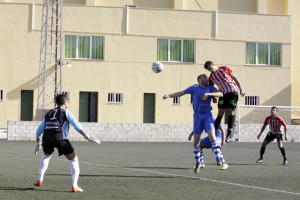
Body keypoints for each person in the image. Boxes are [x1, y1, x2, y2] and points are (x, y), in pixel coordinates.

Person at [33, 94, 100, 192]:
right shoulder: (66, 112)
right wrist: (87, 137)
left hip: (47, 138)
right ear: (65, 102)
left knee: (46, 156)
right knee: (74, 159)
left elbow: (39, 131)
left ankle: (39, 179)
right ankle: (74, 186)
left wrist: (38, 143)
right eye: (67, 101)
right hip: (60, 138)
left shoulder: (49, 113)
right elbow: (77, 126)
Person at [163, 74, 228, 173]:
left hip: (207, 116)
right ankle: (198, 163)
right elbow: (181, 93)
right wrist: (169, 96)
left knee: (212, 136)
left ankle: (218, 158)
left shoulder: (210, 88)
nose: (206, 79)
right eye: (204, 78)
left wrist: (210, 94)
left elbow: (220, 94)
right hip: (197, 117)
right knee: (196, 142)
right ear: (199, 80)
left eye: (206, 78)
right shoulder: (194, 88)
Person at [204, 61, 245, 143]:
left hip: (232, 92)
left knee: (231, 110)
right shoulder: (211, 77)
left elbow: (235, 78)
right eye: (209, 70)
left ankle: (229, 133)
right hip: (222, 94)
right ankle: (214, 133)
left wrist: (241, 89)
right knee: (220, 112)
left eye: (210, 68)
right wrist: (213, 97)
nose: (210, 71)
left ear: (213, 65)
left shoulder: (225, 69)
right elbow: (211, 88)